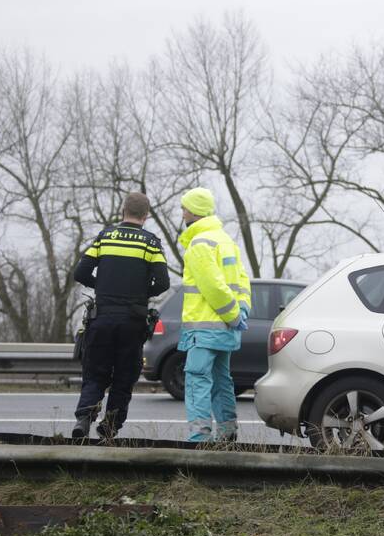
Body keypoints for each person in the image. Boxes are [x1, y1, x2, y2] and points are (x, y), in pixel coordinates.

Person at [72, 192, 170, 439]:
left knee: (95, 372)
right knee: (124, 376)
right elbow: (163, 282)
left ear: (122, 210)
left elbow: (81, 273)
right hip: (132, 320)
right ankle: (110, 426)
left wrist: (103, 287)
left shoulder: (105, 236)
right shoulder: (150, 243)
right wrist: (139, 294)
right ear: (146, 216)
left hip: (101, 317)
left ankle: (84, 418)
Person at [177, 187, 251, 443]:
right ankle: (228, 432)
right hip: (226, 328)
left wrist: (231, 314)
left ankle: (199, 435)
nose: (182, 212)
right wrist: (241, 310)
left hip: (204, 328)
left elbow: (213, 287)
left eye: (184, 207)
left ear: (194, 211)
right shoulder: (225, 240)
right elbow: (242, 280)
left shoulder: (199, 244)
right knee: (222, 381)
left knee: (198, 379)